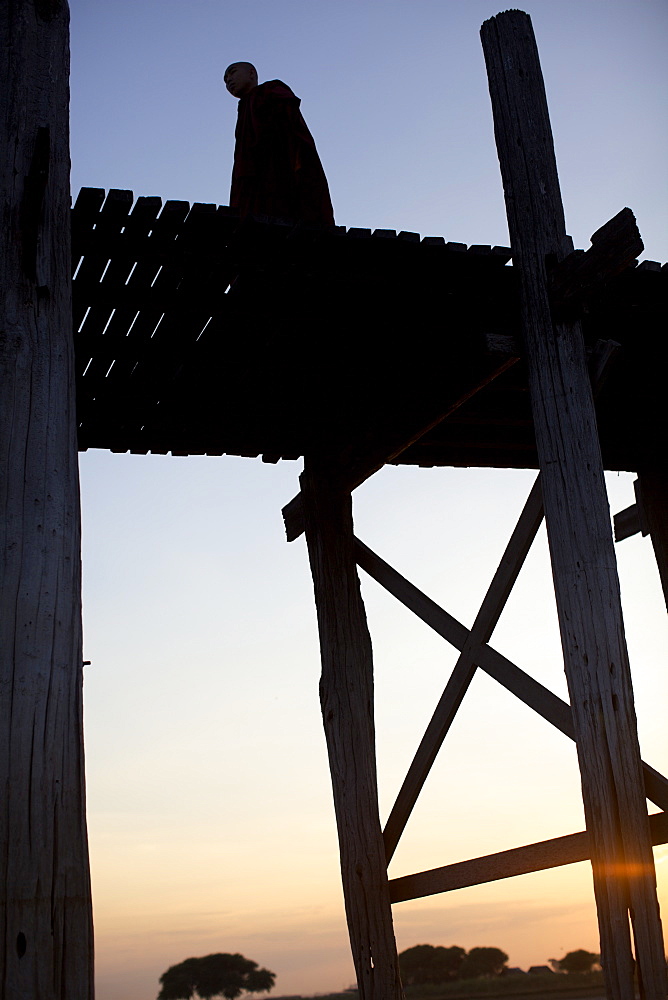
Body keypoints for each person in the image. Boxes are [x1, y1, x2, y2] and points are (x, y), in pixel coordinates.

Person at [224, 61, 335, 225]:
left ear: (252, 73)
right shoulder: (244, 109)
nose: (229, 81)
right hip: (252, 176)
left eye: (232, 73)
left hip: (280, 166)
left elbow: (289, 121)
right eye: (226, 81)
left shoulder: (271, 90)